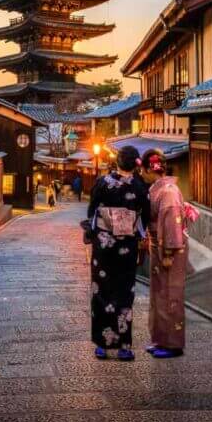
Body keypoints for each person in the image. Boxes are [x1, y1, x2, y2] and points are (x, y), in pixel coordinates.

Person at [86, 145, 151, 361]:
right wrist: (139, 234)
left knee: (101, 291)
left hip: (104, 246)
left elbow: (92, 211)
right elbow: (145, 216)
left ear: (117, 161)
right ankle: (124, 346)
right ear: (136, 164)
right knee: (124, 292)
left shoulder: (102, 183)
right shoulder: (140, 186)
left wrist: (94, 231)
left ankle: (102, 345)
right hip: (127, 246)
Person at [140, 148, 199, 358]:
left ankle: (173, 344)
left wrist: (168, 253)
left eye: (142, 170)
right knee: (159, 294)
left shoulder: (168, 192)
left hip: (170, 249)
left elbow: (172, 223)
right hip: (159, 246)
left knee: (170, 294)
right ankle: (160, 339)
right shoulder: (159, 188)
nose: (141, 174)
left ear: (150, 168)